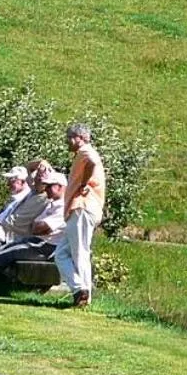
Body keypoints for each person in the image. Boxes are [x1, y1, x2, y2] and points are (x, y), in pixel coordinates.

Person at [55, 124, 106, 309]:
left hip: (83, 207)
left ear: (79, 137)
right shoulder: (82, 154)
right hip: (80, 209)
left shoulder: (85, 151)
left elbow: (92, 162)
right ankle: (79, 290)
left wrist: (84, 183)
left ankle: (84, 296)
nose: (67, 141)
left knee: (80, 253)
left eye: (69, 137)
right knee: (61, 254)